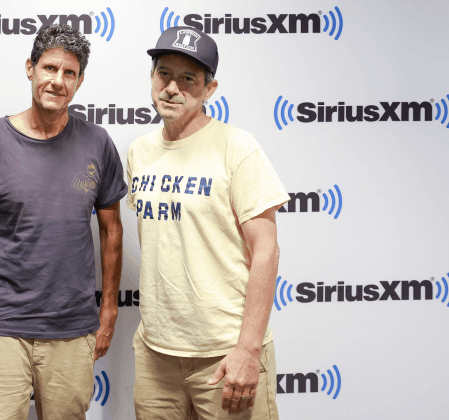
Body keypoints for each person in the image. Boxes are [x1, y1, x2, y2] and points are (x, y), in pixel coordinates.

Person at [0, 24, 127, 420]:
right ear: (30, 68)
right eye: (49, 68)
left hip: (73, 329)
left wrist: (109, 308)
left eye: (69, 73)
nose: (57, 81)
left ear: (79, 81)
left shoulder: (98, 142)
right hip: (5, 327)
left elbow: (112, 229)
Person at [127, 26, 290, 419]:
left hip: (225, 353)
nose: (172, 88)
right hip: (156, 355)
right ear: (152, 77)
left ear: (209, 89)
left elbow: (266, 251)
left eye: (188, 79)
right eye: (164, 73)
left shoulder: (237, 147)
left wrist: (248, 350)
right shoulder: (140, 151)